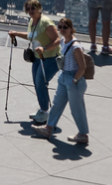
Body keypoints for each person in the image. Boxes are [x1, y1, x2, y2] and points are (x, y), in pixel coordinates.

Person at [38, 17, 90, 147]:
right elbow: (53, 44)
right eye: (59, 27)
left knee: (76, 109)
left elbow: (82, 66)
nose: (62, 30)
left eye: (65, 27)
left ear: (71, 28)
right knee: (56, 104)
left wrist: (74, 80)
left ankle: (83, 134)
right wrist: (43, 49)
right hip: (63, 77)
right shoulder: (63, 41)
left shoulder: (75, 46)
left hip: (73, 79)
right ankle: (48, 128)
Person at [8, 0, 61, 125]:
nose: (31, 11)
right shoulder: (32, 21)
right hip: (38, 58)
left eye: (33, 8)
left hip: (50, 58)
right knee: (37, 84)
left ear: (39, 8)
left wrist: (45, 48)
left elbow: (58, 39)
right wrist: (15, 33)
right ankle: (43, 110)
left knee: (41, 82)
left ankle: (45, 112)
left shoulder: (46, 22)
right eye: (29, 9)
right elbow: (31, 36)